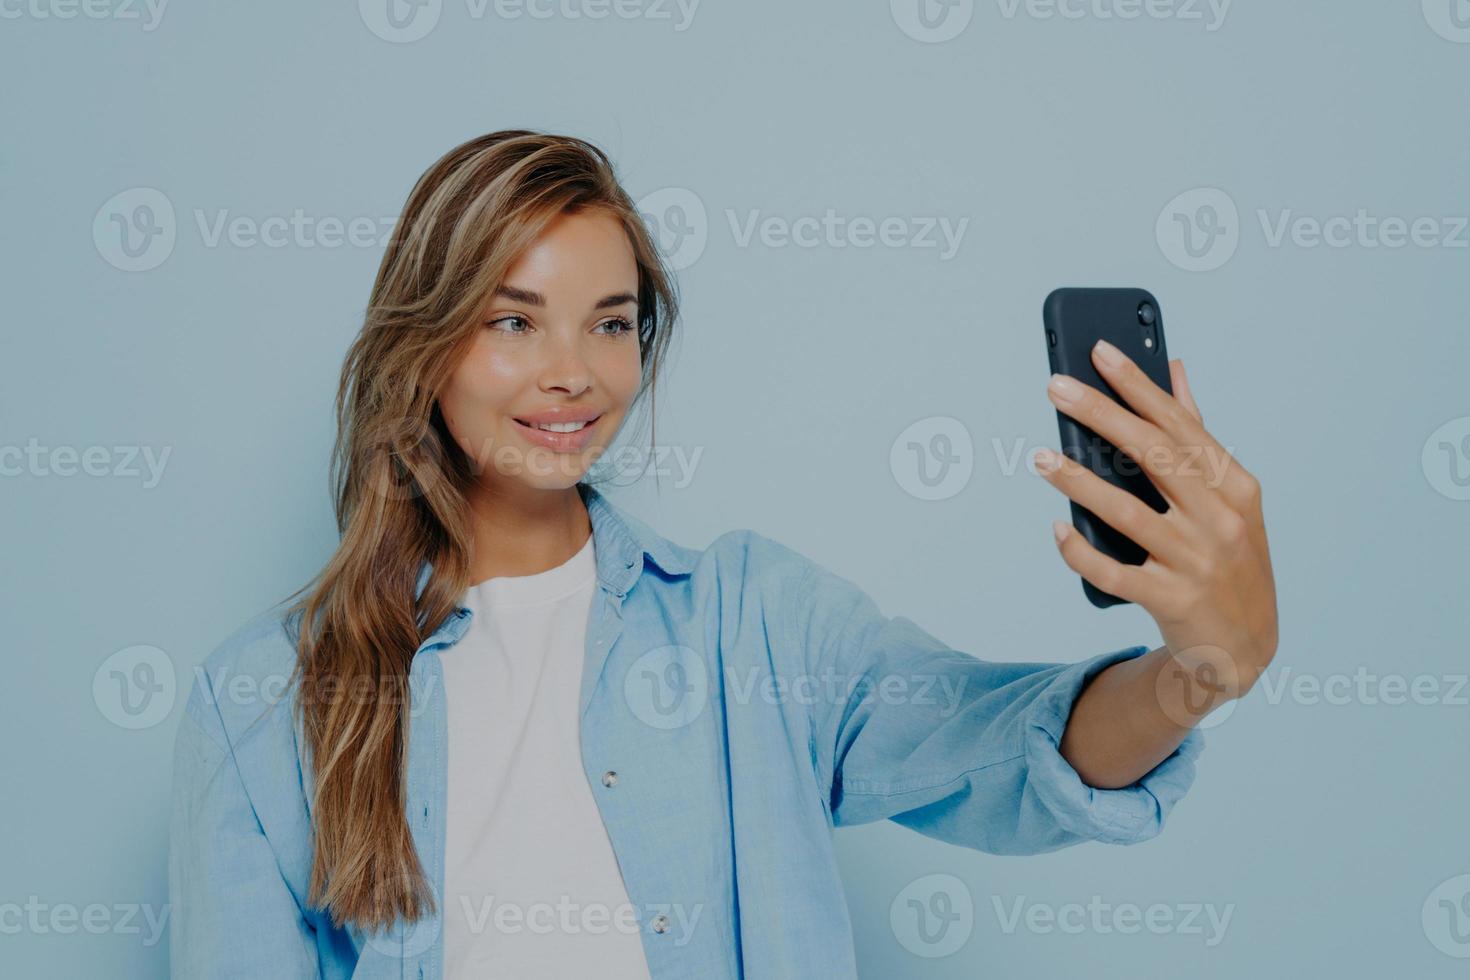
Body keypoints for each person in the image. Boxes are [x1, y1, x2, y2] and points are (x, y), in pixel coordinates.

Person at [167, 129, 1278, 979]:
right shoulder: (261, 699)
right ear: (424, 342)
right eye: (514, 321)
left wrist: (1199, 670)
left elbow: (1002, 750)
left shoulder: (752, 617)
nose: (575, 372)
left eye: (611, 321)